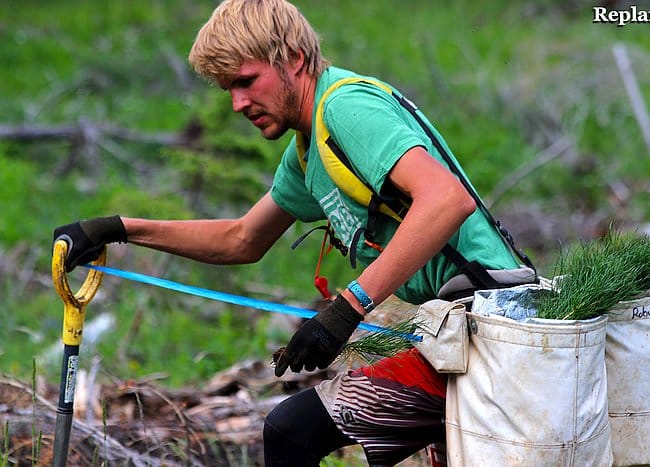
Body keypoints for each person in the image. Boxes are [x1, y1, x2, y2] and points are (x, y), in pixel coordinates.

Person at [53, 0, 536, 465]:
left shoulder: (347, 108)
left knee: (290, 432)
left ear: (294, 59)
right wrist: (118, 229)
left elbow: (447, 200)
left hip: (494, 334)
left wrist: (344, 311)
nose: (238, 103)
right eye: (228, 90)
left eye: (246, 81)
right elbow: (242, 239)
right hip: (450, 334)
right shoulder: (308, 150)